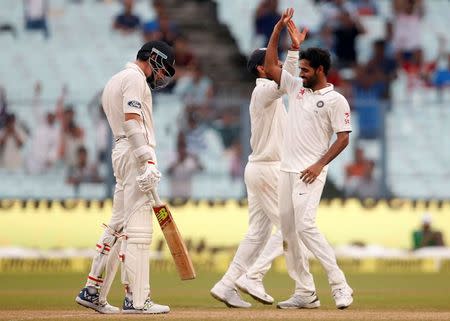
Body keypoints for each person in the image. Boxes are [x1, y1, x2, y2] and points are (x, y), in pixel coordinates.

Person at [210, 21, 315, 308]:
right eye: (274, 62)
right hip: (269, 169)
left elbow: (289, 81)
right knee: (291, 228)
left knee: (258, 233)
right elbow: (286, 80)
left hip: (260, 168)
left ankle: (227, 284)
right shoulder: (264, 91)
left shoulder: (268, 91)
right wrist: (287, 44)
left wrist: (293, 50)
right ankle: (254, 276)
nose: (278, 65)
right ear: (261, 68)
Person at [75, 40, 176, 314]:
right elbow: (132, 120)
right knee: (139, 229)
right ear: (153, 59)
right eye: (163, 68)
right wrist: (146, 159)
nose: (162, 76)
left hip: (122, 151)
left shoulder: (115, 79)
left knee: (118, 226)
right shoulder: (134, 79)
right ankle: (137, 299)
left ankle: (93, 290)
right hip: (134, 153)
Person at [263, 8, 353, 309]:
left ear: (319, 70)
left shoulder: (335, 100)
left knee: (305, 227)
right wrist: (278, 32)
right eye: (299, 69)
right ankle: (304, 291)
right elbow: (271, 69)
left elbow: (343, 138)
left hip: (309, 172)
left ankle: (340, 285)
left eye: (304, 70)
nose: (299, 74)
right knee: (289, 233)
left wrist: (318, 165)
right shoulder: (296, 90)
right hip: (286, 172)